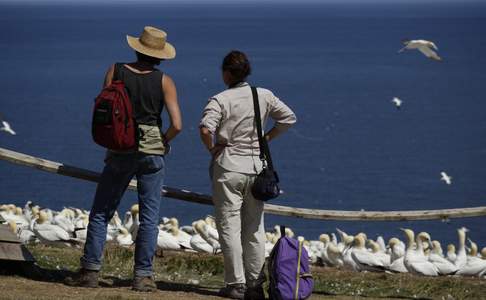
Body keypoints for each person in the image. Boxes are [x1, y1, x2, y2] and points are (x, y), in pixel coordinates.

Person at [66, 26, 182, 292]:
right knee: (150, 217)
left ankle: (90, 272)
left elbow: (104, 109)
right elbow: (177, 124)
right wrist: (163, 140)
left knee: (100, 213)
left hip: (120, 147)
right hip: (151, 150)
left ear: (136, 48)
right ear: (161, 55)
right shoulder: (164, 81)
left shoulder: (115, 71)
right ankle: (142, 277)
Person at [199, 50, 296, 299]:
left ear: (226, 73)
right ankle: (254, 284)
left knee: (229, 227)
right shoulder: (263, 95)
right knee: (254, 228)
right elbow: (288, 118)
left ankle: (235, 284)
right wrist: (266, 138)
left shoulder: (220, 99)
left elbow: (204, 128)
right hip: (256, 169)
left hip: (229, 167)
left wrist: (212, 149)